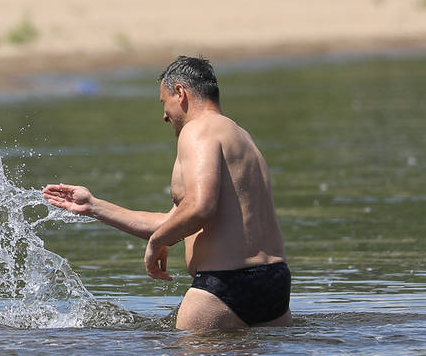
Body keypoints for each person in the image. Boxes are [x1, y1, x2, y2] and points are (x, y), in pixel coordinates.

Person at [43, 56, 290, 331]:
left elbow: (199, 207)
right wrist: (93, 206)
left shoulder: (197, 130)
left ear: (180, 93)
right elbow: (180, 219)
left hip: (225, 284)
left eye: (164, 103)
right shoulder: (240, 136)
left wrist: (156, 243)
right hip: (274, 283)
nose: (164, 115)